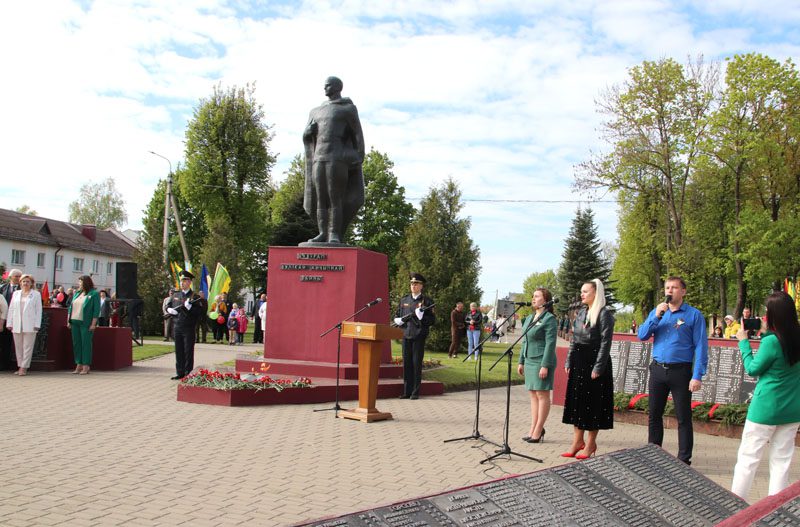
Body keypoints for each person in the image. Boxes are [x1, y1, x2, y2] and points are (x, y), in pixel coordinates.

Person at [731, 292, 800, 500]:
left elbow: (753, 368)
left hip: (765, 409)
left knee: (748, 458)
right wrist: (764, 334)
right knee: (781, 461)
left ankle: (735, 504)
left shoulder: (772, 342)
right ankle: (776, 510)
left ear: (773, 315)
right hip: (792, 409)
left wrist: (744, 342)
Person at [638, 276, 708, 465]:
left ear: (683, 291)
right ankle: (654, 453)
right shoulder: (658, 312)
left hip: (681, 372)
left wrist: (697, 375)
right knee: (654, 414)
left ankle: (684, 459)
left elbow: (701, 346)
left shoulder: (694, 315)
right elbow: (642, 335)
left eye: (674, 287)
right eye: (667, 287)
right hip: (658, 370)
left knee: (683, 417)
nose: (669, 291)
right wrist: (656, 316)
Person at [302, 76, 365, 244]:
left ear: (337, 87)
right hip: (318, 158)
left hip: (337, 159)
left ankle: (334, 234)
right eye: (324, 86)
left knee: (335, 198)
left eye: (328, 86)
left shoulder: (347, 109)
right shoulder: (315, 111)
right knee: (320, 199)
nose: (325, 89)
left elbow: (358, 135)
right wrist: (306, 133)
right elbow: (307, 135)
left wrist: (357, 157)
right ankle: (323, 233)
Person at [561, 279, 615, 459]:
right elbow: (574, 339)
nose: (582, 294)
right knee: (577, 403)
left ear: (595, 293)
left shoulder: (604, 314)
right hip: (579, 362)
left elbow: (606, 343)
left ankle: (590, 444)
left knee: (593, 405)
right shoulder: (581, 312)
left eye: (586, 291)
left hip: (595, 363)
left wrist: (598, 366)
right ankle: (577, 441)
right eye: (581, 291)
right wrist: (569, 361)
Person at [517, 287, 557, 444]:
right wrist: (521, 361)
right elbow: (524, 340)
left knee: (542, 395)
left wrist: (545, 365)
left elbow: (550, 343)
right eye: (533, 296)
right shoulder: (529, 318)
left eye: (537, 296)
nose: (533, 299)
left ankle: (539, 429)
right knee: (533, 395)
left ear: (545, 301)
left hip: (542, 360)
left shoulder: (549, 319)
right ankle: (533, 428)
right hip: (529, 360)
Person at [393, 273, 435, 400]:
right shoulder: (404, 300)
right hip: (406, 335)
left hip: (418, 336)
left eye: (416, 284)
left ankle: (415, 392)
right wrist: (397, 320)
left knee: (416, 364)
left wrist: (422, 318)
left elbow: (432, 320)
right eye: (412, 283)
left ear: (421, 286)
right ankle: (407, 391)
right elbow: (396, 315)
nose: (413, 286)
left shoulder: (427, 301)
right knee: (407, 364)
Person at [165, 271, 203, 379]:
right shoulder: (176, 295)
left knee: (188, 351)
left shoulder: (194, 297)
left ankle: (188, 373)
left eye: (185, 280)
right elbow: (168, 305)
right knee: (179, 350)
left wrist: (190, 308)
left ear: (189, 282)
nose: (182, 283)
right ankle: (180, 372)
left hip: (188, 327)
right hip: (177, 326)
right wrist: (169, 309)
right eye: (181, 280)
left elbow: (199, 313)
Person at [6, 274, 43, 375]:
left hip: (30, 324)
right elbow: (11, 308)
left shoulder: (36, 294)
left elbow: (39, 310)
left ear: (31, 283)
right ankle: (19, 366)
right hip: (17, 324)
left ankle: (24, 367)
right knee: (18, 347)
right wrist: (9, 322)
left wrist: (37, 324)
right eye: (23, 281)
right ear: (20, 283)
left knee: (28, 346)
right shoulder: (16, 293)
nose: (25, 283)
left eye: (27, 281)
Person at [67, 275, 100, 375]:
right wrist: (68, 321)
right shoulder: (77, 293)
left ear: (86, 282)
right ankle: (78, 364)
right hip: (74, 322)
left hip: (86, 323)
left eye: (80, 282)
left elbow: (96, 310)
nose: (79, 284)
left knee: (85, 344)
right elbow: (70, 308)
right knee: (76, 344)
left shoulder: (94, 294)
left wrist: (93, 324)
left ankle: (86, 365)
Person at [0, 268, 21, 371]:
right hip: (4, 319)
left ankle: (20, 365)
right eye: (16, 276)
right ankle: (4, 365)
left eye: (19, 276)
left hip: (18, 319)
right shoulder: (3, 288)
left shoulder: (24, 288)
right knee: (5, 342)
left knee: (18, 343)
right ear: (10, 277)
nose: (18, 278)